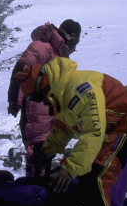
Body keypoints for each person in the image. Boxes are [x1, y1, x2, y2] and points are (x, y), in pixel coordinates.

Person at [15, 57, 127, 206]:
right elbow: (64, 128)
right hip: (106, 128)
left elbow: (93, 132)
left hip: (126, 124)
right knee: (85, 174)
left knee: (98, 177)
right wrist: (46, 150)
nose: (40, 101)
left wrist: (70, 168)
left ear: (42, 85)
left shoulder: (80, 89)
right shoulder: (60, 93)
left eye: (36, 96)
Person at [7, 20, 81, 177]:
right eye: (77, 41)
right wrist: (14, 101)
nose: (76, 46)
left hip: (51, 110)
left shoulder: (60, 53)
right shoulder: (42, 47)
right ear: (70, 37)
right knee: (37, 150)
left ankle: (41, 188)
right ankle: (34, 190)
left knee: (47, 150)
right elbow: (21, 70)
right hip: (35, 108)